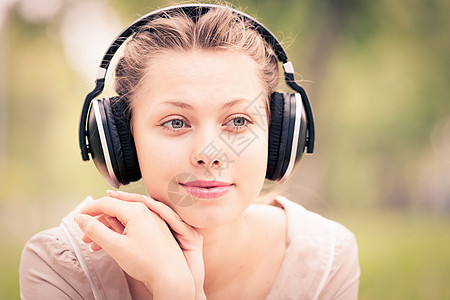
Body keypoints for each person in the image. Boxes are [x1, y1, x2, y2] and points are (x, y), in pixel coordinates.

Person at [19, 3, 360, 299]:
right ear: (121, 141)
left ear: (278, 136)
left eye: (238, 121)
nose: (209, 153)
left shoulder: (326, 259)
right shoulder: (60, 266)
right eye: (177, 122)